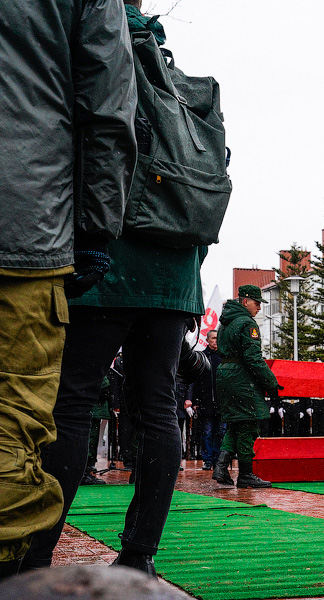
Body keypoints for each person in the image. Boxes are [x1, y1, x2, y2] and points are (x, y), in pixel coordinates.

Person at [23, 2, 208, 577]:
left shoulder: (96, 53)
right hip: (175, 274)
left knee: (71, 403)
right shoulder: (177, 79)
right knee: (157, 408)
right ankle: (139, 557)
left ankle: (34, 556)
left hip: (109, 258)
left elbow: (86, 144)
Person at [0, 0, 136, 579]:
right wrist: (93, 229)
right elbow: (107, 110)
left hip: (28, 223)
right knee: (11, 425)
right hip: (25, 225)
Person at [213, 285, 279, 489]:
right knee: (249, 424)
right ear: (245, 301)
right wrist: (271, 383)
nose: (259, 307)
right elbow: (253, 358)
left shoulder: (226, 322)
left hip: (225, 374)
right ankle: (246, 474)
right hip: (241, 378)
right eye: (256, 302)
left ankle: (221, 467)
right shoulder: (247, 324)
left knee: (235, 424)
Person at [194, 330, 224, 470]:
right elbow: (195, 381)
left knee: (220, 432)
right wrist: (194, 401)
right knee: (207, 432)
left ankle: (218, 459)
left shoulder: (224, 357)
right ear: (207, 340)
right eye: (213, 338)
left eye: (217, 338)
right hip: (206, 402)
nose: (215, 341)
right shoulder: (202, 357)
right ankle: (207, 460)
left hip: (221, 403)